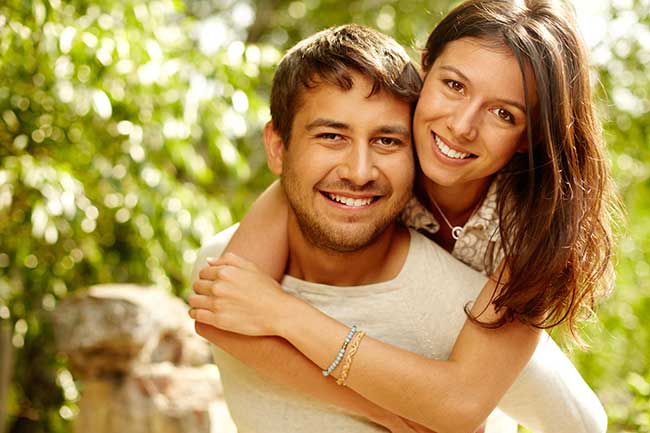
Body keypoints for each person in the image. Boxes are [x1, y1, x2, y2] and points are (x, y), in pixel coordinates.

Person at [191, 0, 616, 430]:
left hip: (498, 355)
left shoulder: (539, 228)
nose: (461, 126)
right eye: (454, 85)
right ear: (425, 71)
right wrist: (385, 412)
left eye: (504, 114)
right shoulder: (380, 150)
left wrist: (283, 313)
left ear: (530, 135)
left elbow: (461, 405)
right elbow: (222, 315)